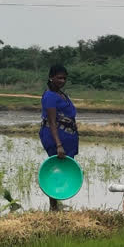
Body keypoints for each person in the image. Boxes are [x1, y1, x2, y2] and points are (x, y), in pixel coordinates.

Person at [40, 64, 78, 211]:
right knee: (55, 169)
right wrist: (59, 145)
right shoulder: (50, 96)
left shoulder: (62, 95)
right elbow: (52, 122)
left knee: (63, 168)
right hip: (55, 137)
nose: (62, 80)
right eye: (59, 77)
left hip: (66, 136)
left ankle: (56, 205)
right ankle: (53, 206)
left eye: (64, 78)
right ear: (51, 77)